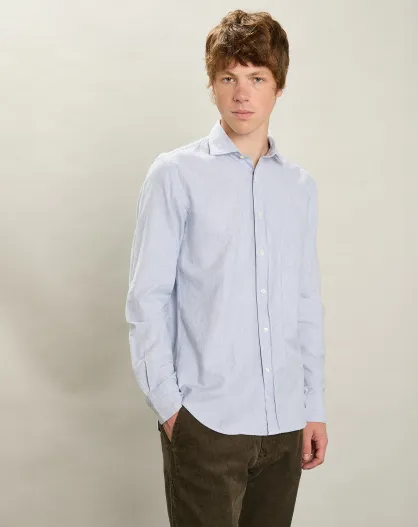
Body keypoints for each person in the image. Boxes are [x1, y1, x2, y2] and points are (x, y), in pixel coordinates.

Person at [125, 9, 328, 527]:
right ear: (212, 86)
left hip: (285, 427)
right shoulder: (175, 175)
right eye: (228, 78)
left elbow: (305, 300)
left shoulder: (299, 188)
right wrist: (172, 410)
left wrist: (313, 406)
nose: (242, 94)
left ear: (278, 86)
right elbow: (147, 298)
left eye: (256, 78)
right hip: (206, 424)